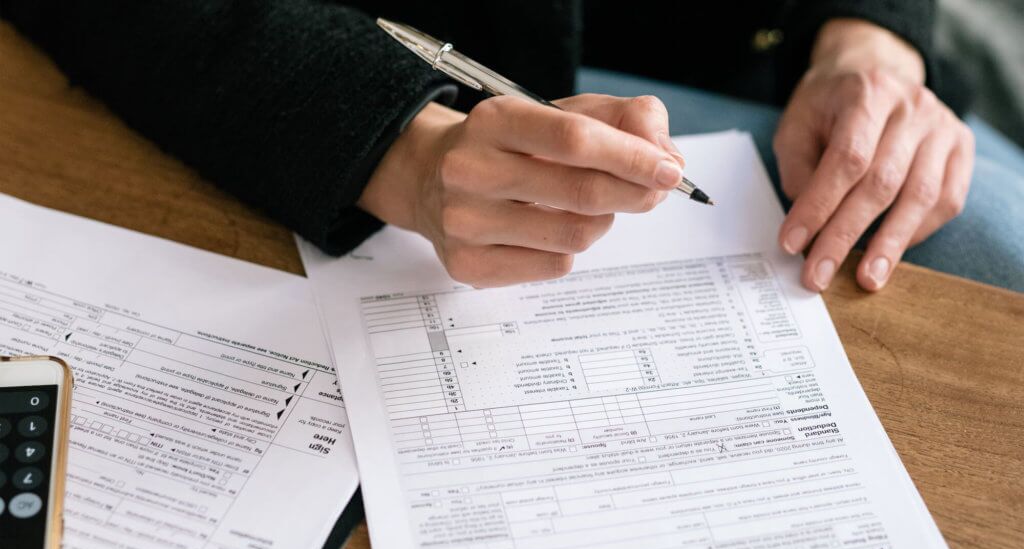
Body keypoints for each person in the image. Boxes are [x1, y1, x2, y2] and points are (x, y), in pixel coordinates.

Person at [3, 1, 1018, 292]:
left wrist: (870, 35)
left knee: (991, 234)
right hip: (340, 66)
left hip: (775, 60)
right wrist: (390, 139)